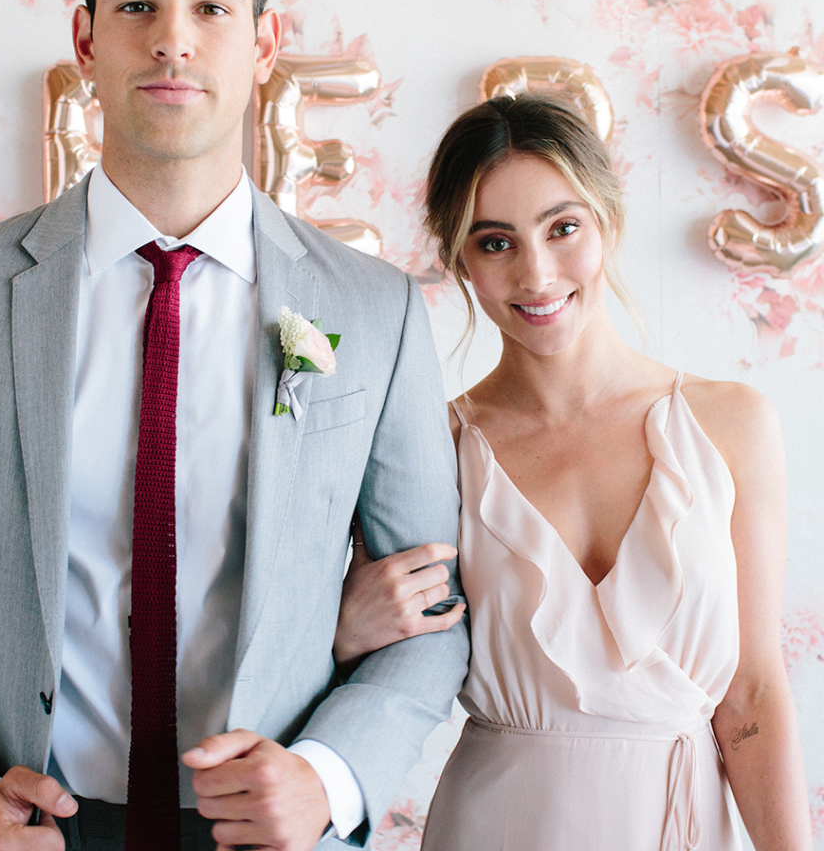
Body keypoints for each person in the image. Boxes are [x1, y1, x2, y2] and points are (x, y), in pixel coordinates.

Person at [0, 0, 468, 851]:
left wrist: (328, 781)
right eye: (136, 5)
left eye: (211, 5)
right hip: (34, 828)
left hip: (274, 832)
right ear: (86, 38)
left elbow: (434, 612)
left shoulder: (372, 310)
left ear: (263, 41)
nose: (173, 38)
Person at [333, 93, 812, 850]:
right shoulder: (431, 447)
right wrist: (342, 631)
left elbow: (751, 695)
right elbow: (380, 665)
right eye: (495, 243)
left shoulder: (732, 424)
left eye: (563, 229)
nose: (537, 273)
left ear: (608, 222)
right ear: (458, 257)